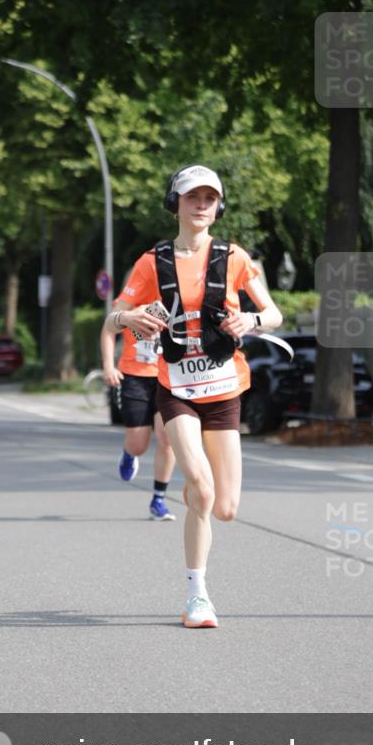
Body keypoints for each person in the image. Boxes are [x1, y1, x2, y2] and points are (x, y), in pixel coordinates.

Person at [107, 164, 283, 627]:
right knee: (203, 494)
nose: (201, 205)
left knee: (225, 508)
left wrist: (252, 321)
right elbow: (113, 317)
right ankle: (197, 597)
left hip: (225, 390)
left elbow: (274, 313)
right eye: (192, 197)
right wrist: (130, 320)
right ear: (176, 203)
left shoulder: (236, 258)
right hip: (176, 389)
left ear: (219, 206)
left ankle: (195, 488)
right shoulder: (153, 262)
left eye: (210, 198)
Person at [100, 310, 177, 521]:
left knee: (168, 438)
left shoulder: (177, 297)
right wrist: (108, 366)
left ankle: (158, 500)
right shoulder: (132, 299)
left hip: (168, 377)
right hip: (134, 377)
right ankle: (129, 452)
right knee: (138, 445)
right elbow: (108, 329)